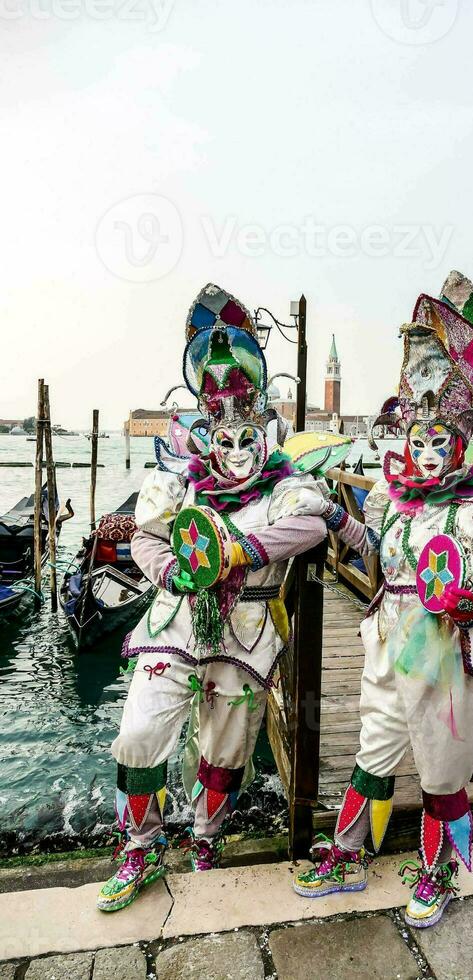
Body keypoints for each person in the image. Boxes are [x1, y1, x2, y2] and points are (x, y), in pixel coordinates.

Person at [292, 271, 473, 929]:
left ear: (459, 443)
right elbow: (376, 554)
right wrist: (335, 521)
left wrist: (463, 606)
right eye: (415, 440)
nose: (424, 453)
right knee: (372, 755)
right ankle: (345, 857)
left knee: (439, 770)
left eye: (437, 441)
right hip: (386, 642)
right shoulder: (388, 501)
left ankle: (436, 872)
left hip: (445, 656)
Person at [98, 284, 326, 912]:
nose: (231, 445)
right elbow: (146, 535)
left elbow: (311, 524)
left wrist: (235, 553)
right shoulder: (178, 474)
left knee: (225, 749)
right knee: (140, 730)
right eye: (219, 432)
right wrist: (173, 569)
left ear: (259, 420)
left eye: (243, 432)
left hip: (246, 631)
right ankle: (139, 846)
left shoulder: (284, 479)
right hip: (173, 624)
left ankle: (206, 837)